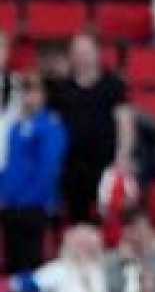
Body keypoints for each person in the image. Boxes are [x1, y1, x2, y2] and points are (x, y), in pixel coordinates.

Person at [45, 32, 135, 226]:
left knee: (109, 219)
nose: (82, 57)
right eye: (77, 52)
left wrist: (124, 155)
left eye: (86, 51)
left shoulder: (113, 85)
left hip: (105, 165)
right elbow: (52, 127)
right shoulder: (61, 88)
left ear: (97, 53)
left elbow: (125, 123)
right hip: (72, 166)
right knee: (78, 219)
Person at [0, 72, 66, 275]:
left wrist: (33, 200)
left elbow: (49, 169)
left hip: (34, 208)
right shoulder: (16, 127)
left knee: (33, 263)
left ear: (44, 95)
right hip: (11, 207)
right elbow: (10, 166)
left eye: (33, 91)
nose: (28, 96)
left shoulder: (50, 126)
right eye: (25, 91)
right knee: (14, 263)